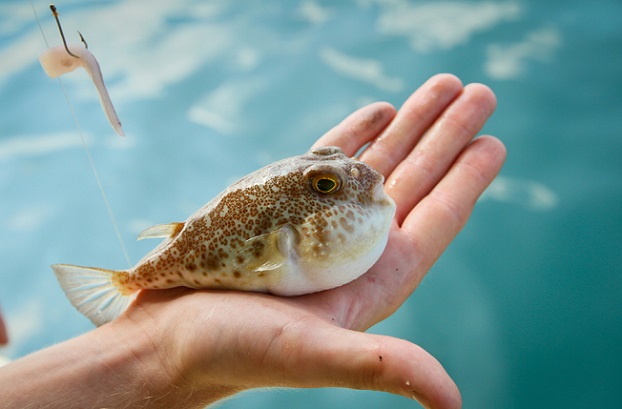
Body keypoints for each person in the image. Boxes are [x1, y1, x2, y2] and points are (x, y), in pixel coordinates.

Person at [0, 74, 505, 409]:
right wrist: (149, 349)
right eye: (326, 185)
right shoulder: (284, 230)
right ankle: (126, 285)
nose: (360, 178)